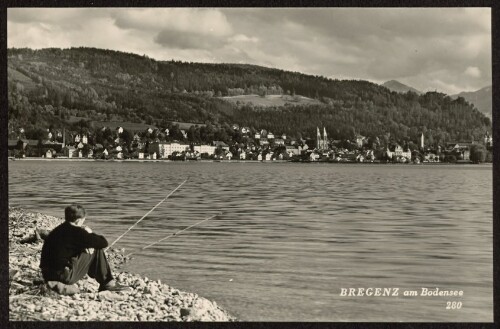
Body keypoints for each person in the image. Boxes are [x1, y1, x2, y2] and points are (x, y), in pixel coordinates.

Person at [40, 204, 129, 293]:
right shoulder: (77, 232)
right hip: (63, 276)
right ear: (78, 221)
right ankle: (107, 282)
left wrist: (83, 247)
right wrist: (89, 232)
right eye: (83, 220)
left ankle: (104, 281)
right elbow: (103, 242)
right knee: (96, 249)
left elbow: (67, 249)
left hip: (47, 274)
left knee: (90, 246)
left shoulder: (58, 230)